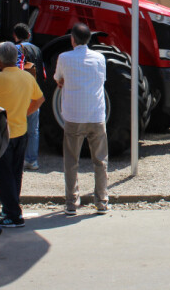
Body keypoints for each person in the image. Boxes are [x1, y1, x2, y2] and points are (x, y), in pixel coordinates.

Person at [0, 42, 45, 227]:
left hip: (2, 132)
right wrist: (25, 112)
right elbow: (40, 99)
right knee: (15, 173)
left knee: (1, 175)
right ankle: (10, 207)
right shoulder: (26, 76)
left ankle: (13, 214)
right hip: (21, 129)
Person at [54, 23, 111, 215]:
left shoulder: (64, 57)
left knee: (71, 160)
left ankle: (71, 202)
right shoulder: (100, 58)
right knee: (100, 160)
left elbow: (58, 78)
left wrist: (63, 82)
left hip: (73, 115)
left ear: (72, 39)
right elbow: (101, 80)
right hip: (96, 114)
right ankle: (101, 201)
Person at [14, 23, 45, 171]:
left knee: (18, 128)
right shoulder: (37, 49)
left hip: (21, 95)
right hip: (35, 93)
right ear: (29, 35)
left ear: (15, 36)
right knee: (33, 130)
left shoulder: (17, 49)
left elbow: (18, 69)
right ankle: (32, 160)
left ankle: (17, 159)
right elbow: (43, 73)